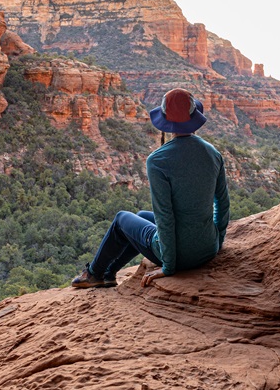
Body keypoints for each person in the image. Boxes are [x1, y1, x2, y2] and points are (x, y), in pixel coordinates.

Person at [71, 87, 229, 289]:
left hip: (180, 257)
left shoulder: (158, 160)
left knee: (121, 218)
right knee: (141, 215)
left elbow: (165, 215)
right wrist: (217, 241)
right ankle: (109, 273)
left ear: (167, 123)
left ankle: (94, 273)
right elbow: (222, 203)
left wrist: (169, 266)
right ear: (194, 116)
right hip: (207, 248)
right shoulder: (213, 153)